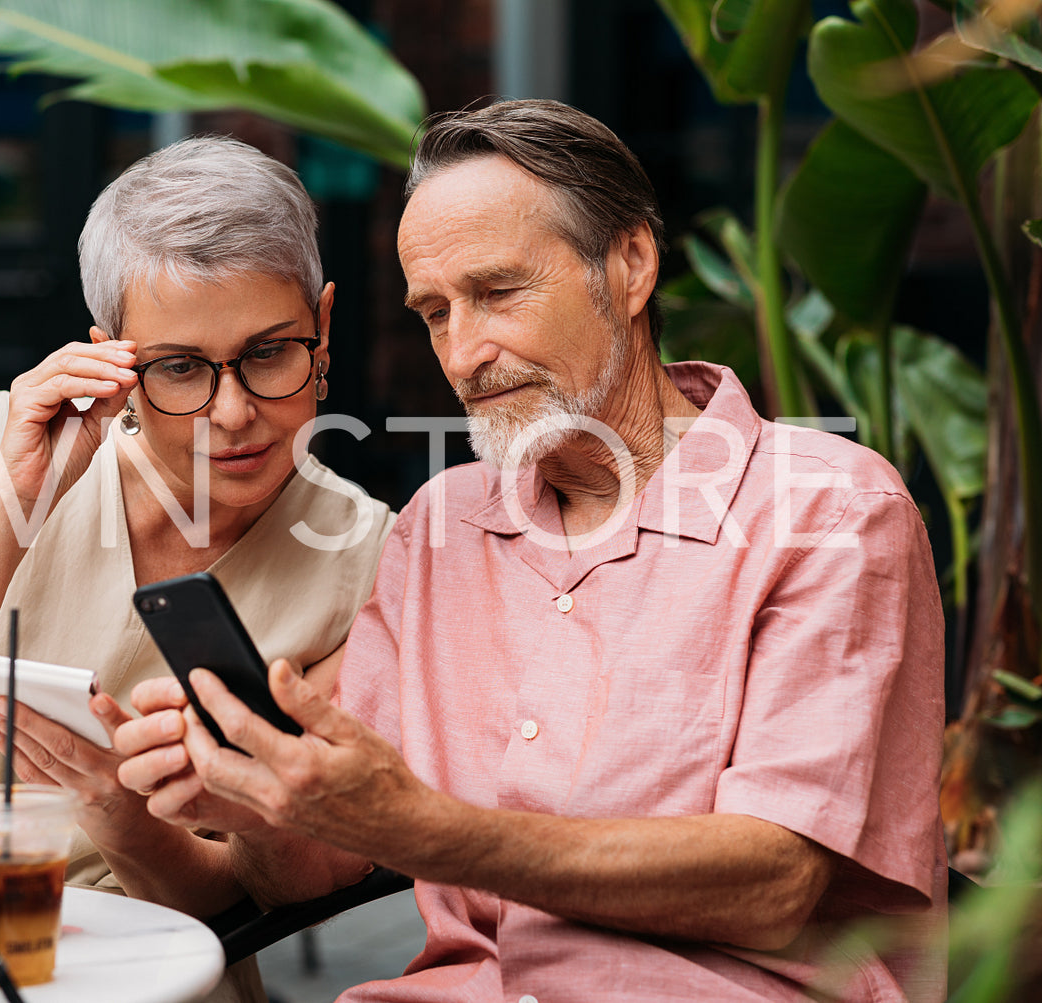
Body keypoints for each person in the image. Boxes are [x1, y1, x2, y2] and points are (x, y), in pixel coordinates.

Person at [115, 100, 946, 1002]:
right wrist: (261, 797)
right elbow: (309, 869)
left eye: (497, 292)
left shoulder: (828, 509)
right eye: (433, 312)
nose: (463, 353)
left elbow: (774, 880)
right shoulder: (440, 526)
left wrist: (427, 828)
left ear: (628, 265)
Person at [0, 135, 394, 1002]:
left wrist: (119, 813)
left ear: (324, 328)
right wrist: (10, 508)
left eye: (270, 352)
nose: (233, 413)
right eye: (179, 368)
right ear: (112, 358)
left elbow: (256, 894)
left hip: (154, 979)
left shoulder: (368, 558)